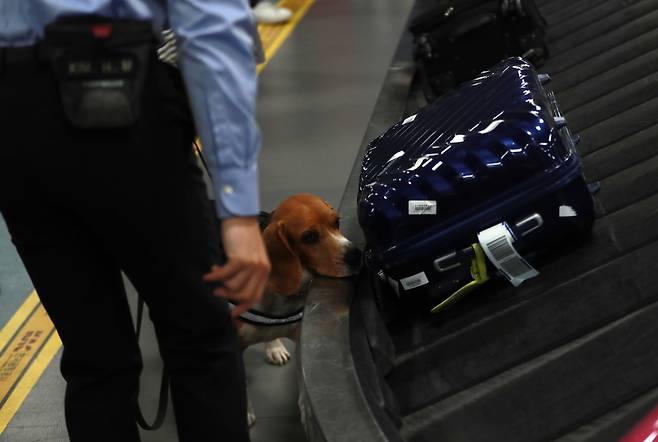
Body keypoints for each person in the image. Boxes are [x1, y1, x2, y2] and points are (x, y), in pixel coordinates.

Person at [0, 1, 270, 441]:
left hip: (13, 115)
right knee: (200, 344)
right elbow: (211, 26)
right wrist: (238, 208)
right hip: (116, 95)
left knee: (95, 359)